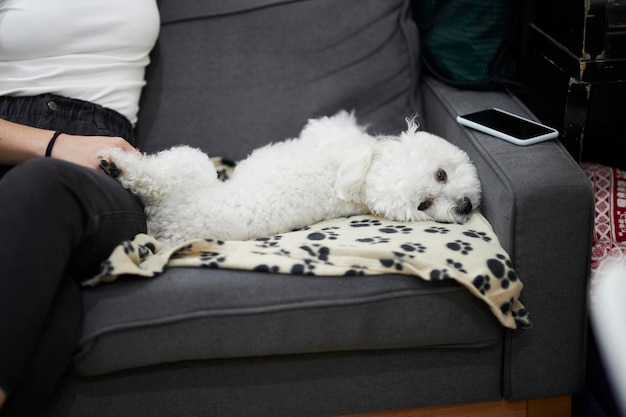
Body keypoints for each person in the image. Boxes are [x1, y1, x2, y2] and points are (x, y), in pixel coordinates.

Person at [0, 1, 160, 415]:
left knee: (42, 187)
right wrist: (54, 144)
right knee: (56, 306)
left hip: (102, 168)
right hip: (12, 141)